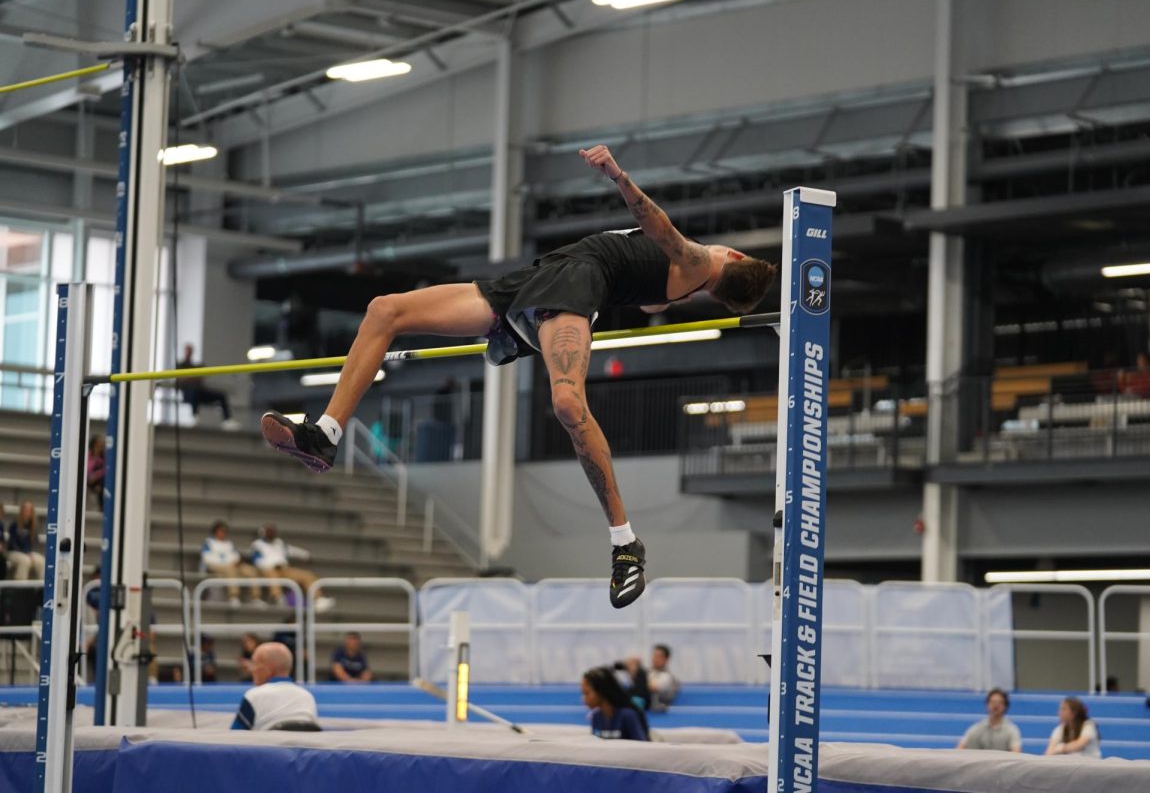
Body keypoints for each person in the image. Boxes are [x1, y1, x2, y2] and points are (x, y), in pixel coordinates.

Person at [260, 145, 777, 609]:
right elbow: (644, 285)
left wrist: (619, 176)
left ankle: (625, 542)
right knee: (384, 310)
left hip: (572, 288)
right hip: (534, 280)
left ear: (731, 258)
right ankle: (325, 434)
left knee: (570, 407)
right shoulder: (682, 286)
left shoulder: (695, 260)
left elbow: (657, 225)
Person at [231, 641, 319, 731]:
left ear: (267, 669)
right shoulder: (307, 697)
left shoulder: (254, 696)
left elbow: (235, 738)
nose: (252, 670)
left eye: (254, 664)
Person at [250, 524, 334, 612]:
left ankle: (318, 598)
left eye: (273, 531)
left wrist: (305, 555)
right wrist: (272, 565)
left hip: (284, 569)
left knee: (306, 575)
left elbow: (291, 550)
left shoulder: (279, 542)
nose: (272, 533)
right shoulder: (257, 545)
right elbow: (257, 561)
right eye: (269, 531)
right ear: (263, 533)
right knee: (272, 574)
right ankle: (278, 598)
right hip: (268, 570)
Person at [200, 521, 263, 607]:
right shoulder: (209, 542)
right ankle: (234, 596)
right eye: (221, 531)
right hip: (216, 565)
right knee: (230, 570)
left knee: (251, 570)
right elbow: (206, 558)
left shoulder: (229, 543)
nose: (223, 533)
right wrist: (227, 563)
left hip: (232, 565)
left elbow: (235, 555)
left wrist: (236, 561)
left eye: (225, 531)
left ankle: (255, 597)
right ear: (215, 531)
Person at [177, 343, 238, 429]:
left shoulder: (197, 365)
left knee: (221, 395)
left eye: (190, 351)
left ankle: (227, 420)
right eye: (187, 351)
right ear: (184, 352)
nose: (189, 353)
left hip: (200, 392)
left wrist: (191, 377)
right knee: (194, 391)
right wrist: (194, 377)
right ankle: (195, 416)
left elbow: (201, 377)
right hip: (189, 394)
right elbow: (182, 379)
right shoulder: (180, 365)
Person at [582, 665, 649, 741]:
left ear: (601, 691)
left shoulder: (628, 716)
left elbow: (642, 747)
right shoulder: (596, 717)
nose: (583, 698)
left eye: (586, 693)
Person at [956, 688, 1022, 752]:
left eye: (999, 702)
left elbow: (1016, 753)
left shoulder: (1011, 730)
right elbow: (960, 748)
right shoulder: (977, 728)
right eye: (992, 702)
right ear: (987, 705)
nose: (995, 705)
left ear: (1005, 706)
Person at [7, 500, 44, 581]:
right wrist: (26, 553)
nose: (27, 513)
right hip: (13, 552)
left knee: (41, 561)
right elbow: (13, 543)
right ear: (22, 511)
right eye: (26, 510)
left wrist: (30, 553)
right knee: (25, 561)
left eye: (30, 511)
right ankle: (20, 588)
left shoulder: (33, 526)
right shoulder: (15, 524)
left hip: (28, 552)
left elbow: (35, 543)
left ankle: (40, 589)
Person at [647, 643, 680, 712]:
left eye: (658, 656)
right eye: (654, 655)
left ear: (666, 659)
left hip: (659, 707)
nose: (655, 659)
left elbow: (653, 688)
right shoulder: (648, 672)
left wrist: (636, 675)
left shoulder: (669, 677)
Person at [86, 436, 105, 506]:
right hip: (89, 480)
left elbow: (106, 470)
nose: (101, 446)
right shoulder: (88, 455)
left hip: (100, 480)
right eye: (99, 444)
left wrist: (96, 475)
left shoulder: (104, 456)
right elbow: (87, 469)